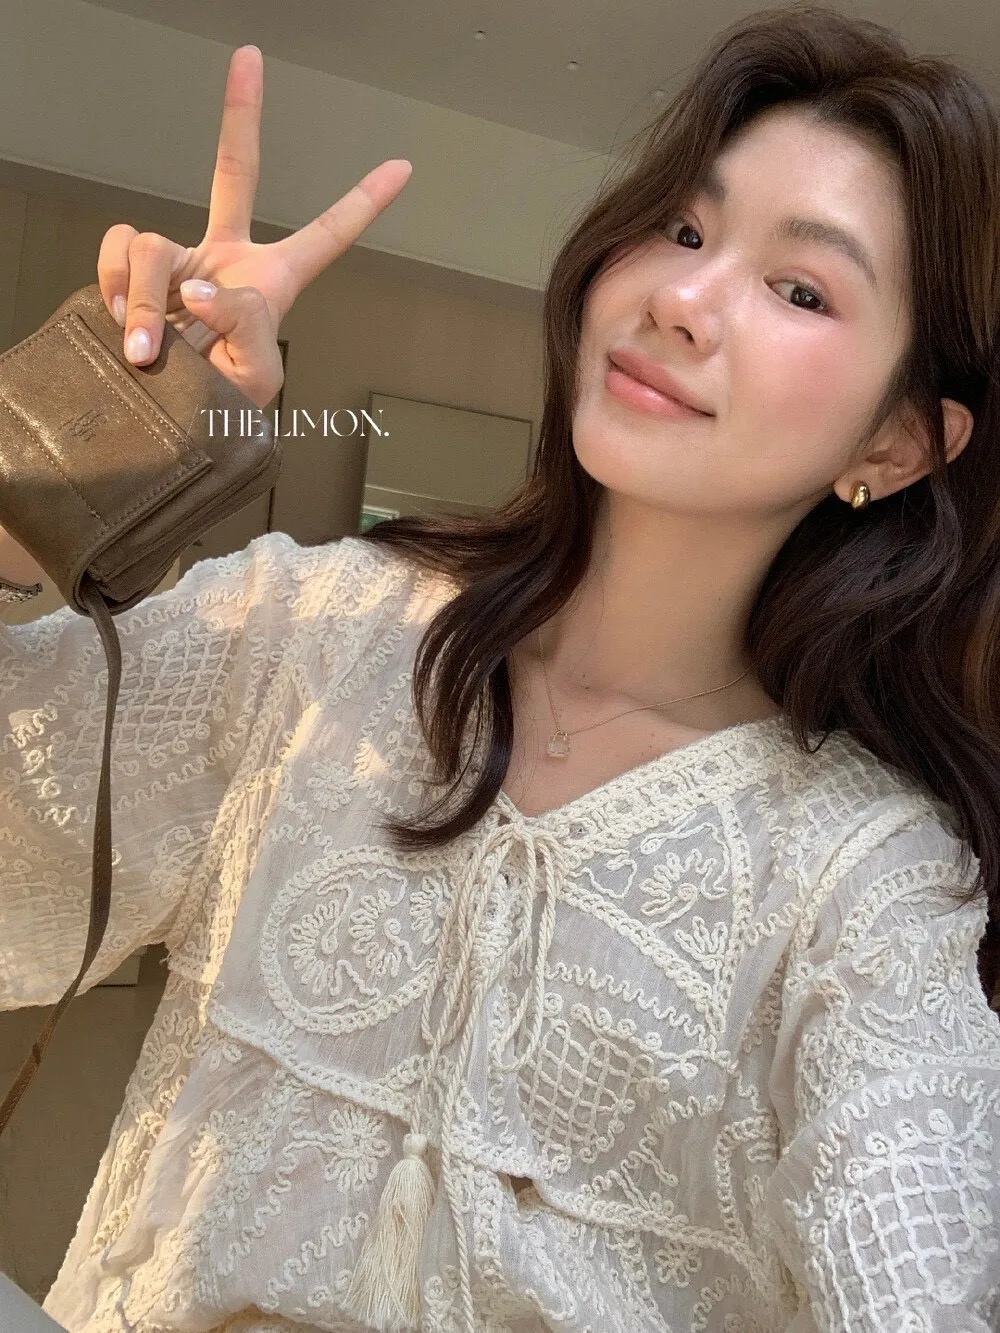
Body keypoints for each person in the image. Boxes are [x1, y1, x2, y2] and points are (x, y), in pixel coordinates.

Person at [2, 5, 999, 1330]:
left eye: (802, 289)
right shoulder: (320, 629)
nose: (681, 299)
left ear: (899, 444)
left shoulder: (868, 888)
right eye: (682, 230)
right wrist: (53, 465)